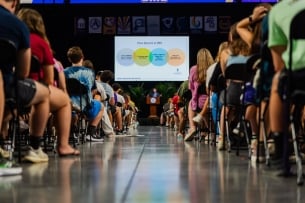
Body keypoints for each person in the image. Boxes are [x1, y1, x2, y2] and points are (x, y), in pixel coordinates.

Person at [17, 8, 80, 157]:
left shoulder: (14, 37)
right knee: (63, 100)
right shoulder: (40, 43)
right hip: (30, 89)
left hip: (8, 88)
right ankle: (61, 146)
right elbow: (49, 79)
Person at [0, 0, 51, 171]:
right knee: (45, 94)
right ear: (14, 2)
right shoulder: (16, 26)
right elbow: (23, 71)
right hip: (7, 86)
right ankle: (35, 147)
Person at [268, 0, 305, 172]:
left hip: (299, 75)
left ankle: (280, 151)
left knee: (278, 80)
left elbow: (278, 65)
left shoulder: (278, 11)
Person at [64, 46, 104, 142]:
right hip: (86, 106)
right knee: (101, 106)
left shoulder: (64, 72)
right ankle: (91, 133)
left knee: (73, 111)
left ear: (69, 59)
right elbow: (92, 90)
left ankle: (70, 134)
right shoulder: (90, 72)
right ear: (82, 57)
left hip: (68, 105)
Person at [184, 48, 214, 141]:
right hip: (212, 99)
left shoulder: (194, 69)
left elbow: (191, 88)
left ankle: (192, 127)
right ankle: (212, 132)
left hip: (200, 102)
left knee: (191, 103)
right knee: (206, 112)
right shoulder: (214, 68)